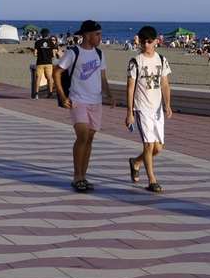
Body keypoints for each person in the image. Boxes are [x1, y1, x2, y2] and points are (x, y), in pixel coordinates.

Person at [52, 20, 115, 193]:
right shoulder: (74, 53)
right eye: (97, 35)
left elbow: (102, 78)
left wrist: (108, 95)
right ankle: (76, 176)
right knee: (82, 135)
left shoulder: (100, 54)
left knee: (89, 139)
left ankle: (83, 176)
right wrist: (63, 96)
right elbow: (56, 72)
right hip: (77, 100)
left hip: (96, 102)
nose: (100, 38)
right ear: (88, 36)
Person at [126, 26, 173, 193]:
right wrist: (129, 112)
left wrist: (167, 104)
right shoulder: (135, 62)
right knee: (148, 145)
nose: (146, 45)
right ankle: (152, 180)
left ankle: (135, 162)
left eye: (149, 41)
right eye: (143, 41)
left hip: (157, 108)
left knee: (158, 147)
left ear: (155, 42)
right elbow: (130, 88)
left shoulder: (161, 60)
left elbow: (165, 84)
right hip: (141, 108)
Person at [32, 28, 58, 99]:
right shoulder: (51, 43)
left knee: (38, 78)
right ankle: (50, 93)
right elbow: (53, 54)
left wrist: (40, 55)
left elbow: (35, 54)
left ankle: (36, 93)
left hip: (40, 62)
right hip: (48, 62)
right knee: (49, 78)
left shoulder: (37, 42)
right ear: (48, 34)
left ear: (41, 34)